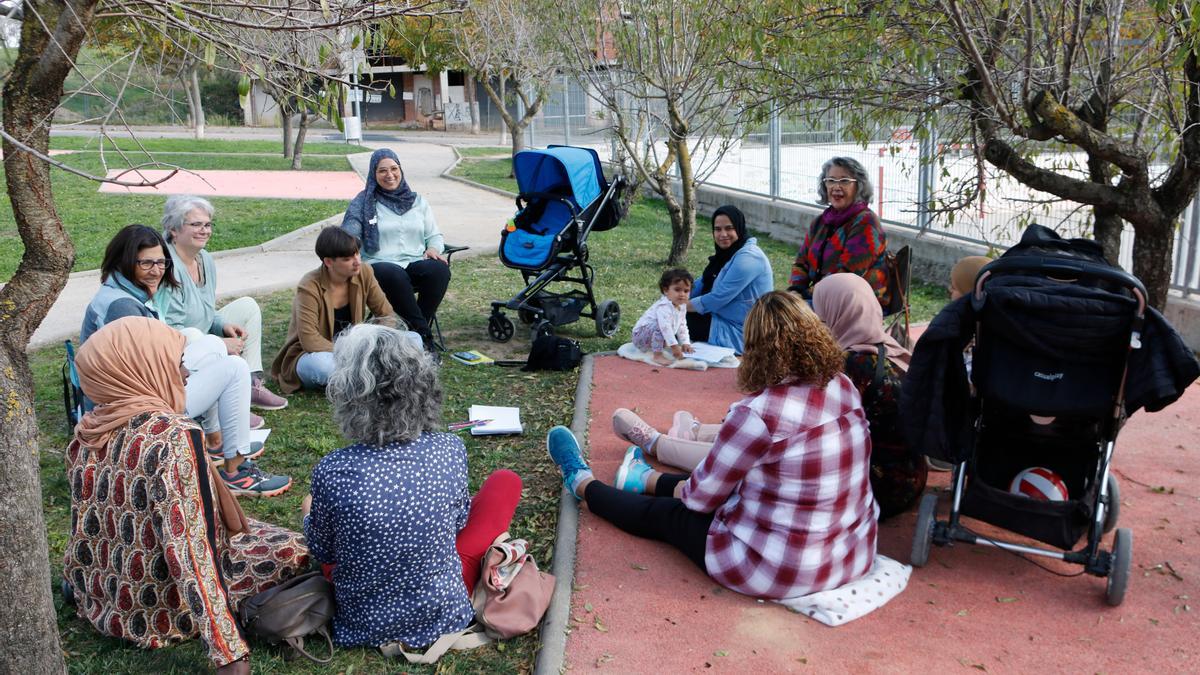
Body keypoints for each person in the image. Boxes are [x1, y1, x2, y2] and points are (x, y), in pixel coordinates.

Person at [548, 291, 878, 600]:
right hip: (849, 554)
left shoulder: (757, 415)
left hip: (775, 570)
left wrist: (687, 492)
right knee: (734, 484)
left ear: (755, 349)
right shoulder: (843, 385)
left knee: (668, 514)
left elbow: (700, 498)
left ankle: (582, 483)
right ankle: (642, 479)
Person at [63, 317, 309, 674]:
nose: (186, 373)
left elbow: (85, 526)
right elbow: (190, 549)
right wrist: (228, 651)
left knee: (245, 527)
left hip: (108, 592)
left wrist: (83, 586)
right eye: (176, 362)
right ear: (142, 366)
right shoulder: (172, 436)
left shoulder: (90, 427)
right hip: (158, 608)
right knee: (293, 547)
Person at [303, 323, 523, 650]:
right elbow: (458, 524)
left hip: (364, 618)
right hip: (441, 608)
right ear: (424, 385)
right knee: (506, 482)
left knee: (312, 508)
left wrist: (311, 515)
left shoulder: (334, 471)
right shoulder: (449, 449)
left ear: (349, 395)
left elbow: (323, 552)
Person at [79, 225, 290, 496]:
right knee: (235, 368)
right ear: (125, 261)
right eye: (146, 263)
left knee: (214, 345)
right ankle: (237, 472)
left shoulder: (124, 291)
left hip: (129, 396)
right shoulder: (124, 307)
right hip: (133, 411)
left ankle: (215, 441)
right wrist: (181, 369)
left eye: (161, 262)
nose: (156, 270)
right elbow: (145, 375)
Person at [156, 194, 289, 410]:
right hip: (180, 346)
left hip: (202, 333)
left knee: (248, 306)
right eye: (196, 224)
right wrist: (219, 344)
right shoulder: (167, 265)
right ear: (174, 229)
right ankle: (226, 402)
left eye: (208, 224)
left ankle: (250, 382)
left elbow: (205, 309)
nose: (205, 230)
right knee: (194, 334)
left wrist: (222, 325)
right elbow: (174, 332)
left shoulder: (204, 259)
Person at [813, 273, 925, 518]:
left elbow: (816, 428)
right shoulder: (889, 348)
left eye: (821, 311)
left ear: (837, 312)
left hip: (880, 487)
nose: (818, 320)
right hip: (912, 474)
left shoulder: (853, 365)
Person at [271, 227, 418, 393]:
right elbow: (310, 340)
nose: (357, 261)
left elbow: (385, 314)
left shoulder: (364, 272)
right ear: (328, 262)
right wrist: (352, 352)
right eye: (348, 258)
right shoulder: (309, 286)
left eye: (357, 254)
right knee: (322, 366)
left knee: (414, 340)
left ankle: (363, 378)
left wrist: (376, 345)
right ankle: (372, 378)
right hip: (318, 353)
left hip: (358, 351)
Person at [341, 148, 450, 352]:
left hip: (414, 262)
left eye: (394, 168)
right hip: (378, 265)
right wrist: (350, 246)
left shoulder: (417, 201)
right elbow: (349, 235)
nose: (389, 175)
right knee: (392, 273)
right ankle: (423, 337)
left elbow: (434, 235)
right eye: (382, 170)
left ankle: (414, 332)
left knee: (439, 270)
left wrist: (434, 248)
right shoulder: (363, 202)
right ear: (374, 173)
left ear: (401, 170)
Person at [788, 157, 890, 308]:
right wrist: (795, 291)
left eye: (844, 181)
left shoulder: (866, 223)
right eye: (831, 180)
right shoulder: (820, 222)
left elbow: (846, 275)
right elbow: (801, 263)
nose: (836, 187)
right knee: (774, 311)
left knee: (784, 320)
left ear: (859, 186)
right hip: (821, 298)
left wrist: (805, 296)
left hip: (858, 302)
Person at [686, 205, 774, 354]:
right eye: (717, 229)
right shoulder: (726, 255)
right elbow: (702, 283)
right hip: (722, 319)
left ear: (739, 228)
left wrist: (680, 307)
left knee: (677, 322)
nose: (723, 234)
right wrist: (672, 299)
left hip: (742, 332)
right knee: (670, 317)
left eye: (729, 228)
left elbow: (719, 297)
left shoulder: (749, 257)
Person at [631, 267, 695, 366]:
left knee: (671, 328)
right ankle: (657, 356)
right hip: (640, 336)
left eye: (686, 291)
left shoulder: (682, 306)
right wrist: (674, 347)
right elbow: (665, 328)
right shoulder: (664, 306)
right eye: (677, 290)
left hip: (653, 337)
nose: (682, 294)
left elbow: (682, 325)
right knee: (662, 327)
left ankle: (658, 347)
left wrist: (685, 343)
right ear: (666, 290)